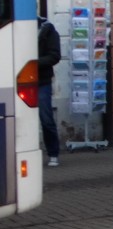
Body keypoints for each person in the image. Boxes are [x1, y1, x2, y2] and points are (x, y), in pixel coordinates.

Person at [38, 15, 62, 167]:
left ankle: (53, 153)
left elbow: (54, 55)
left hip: (41, 81)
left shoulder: (47, 29)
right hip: (19, 80)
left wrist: (33, 63)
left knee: (46, 119)